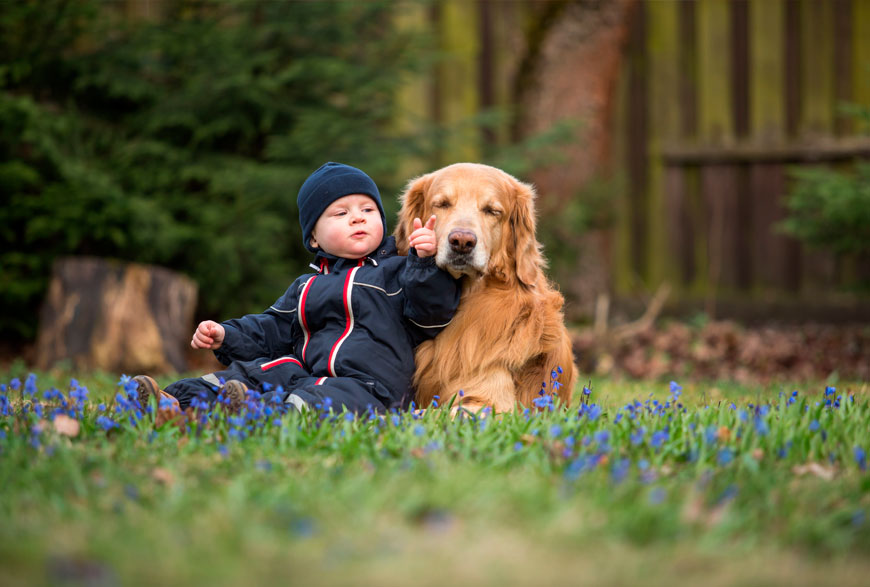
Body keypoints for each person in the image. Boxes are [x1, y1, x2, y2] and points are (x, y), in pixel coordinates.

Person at [134, 162, 460, 423]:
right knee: (257, 372)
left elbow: (431, 314)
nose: (357, 217)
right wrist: (226, 335)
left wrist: (424, 263)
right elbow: (271, 328)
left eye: (367, 210)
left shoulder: (399, 270)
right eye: (341, 213)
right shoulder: (306, 287)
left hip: (368, 385)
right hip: (304, 374)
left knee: (326, 401)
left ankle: (254, 416)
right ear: (314, 238)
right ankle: (175, 401)